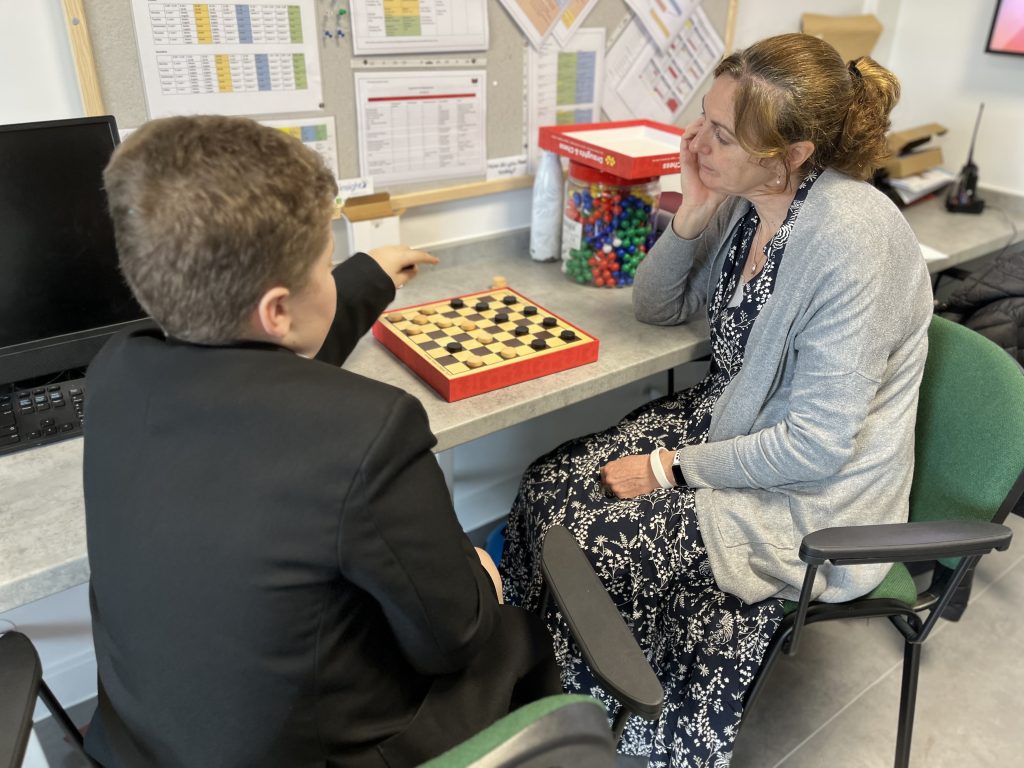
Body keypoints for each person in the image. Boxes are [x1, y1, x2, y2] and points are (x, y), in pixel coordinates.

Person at [500, 33, 933, 767]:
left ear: (791, 152)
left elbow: (818, 446)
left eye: (721, 135)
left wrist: (669, 470)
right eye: (703, 118)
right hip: (731, 421)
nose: (696, 140)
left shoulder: (853, 236)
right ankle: (534, 692)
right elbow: (657, 306)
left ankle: (594, 735)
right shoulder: (749, 198)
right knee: (547, 485)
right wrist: (693, 210)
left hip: (812, 488)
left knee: (598, 544)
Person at [83, 115, 559, 768]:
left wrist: (364, 277)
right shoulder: (370, 431)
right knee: (508, 631)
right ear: (276, 309)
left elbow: (252, 365)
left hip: (141, 745)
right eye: (323, 266)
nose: (331, 276)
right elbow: (452, 641)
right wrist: (479, 586)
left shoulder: (115, 371)